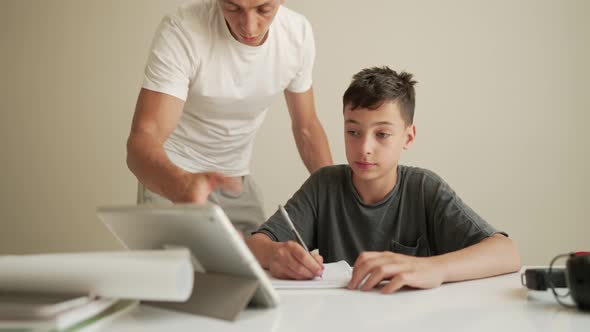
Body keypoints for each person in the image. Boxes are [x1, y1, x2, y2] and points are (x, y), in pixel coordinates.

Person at [247, 66, 521, 293]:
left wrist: (435, 268)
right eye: (353, 132)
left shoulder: (424, 188)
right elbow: (256, 243)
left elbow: (506, 253)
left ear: (408, 137)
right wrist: (275, 255)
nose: (364, 147)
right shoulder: (324, 185)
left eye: (382, 134)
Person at [126, 0, 333, 235]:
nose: (250, 27)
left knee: (259, 266)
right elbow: (142, 140)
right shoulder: (183, 29)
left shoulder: (297, 34)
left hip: (235, 180)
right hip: (173, 175)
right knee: (171, 270)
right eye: (233, 8)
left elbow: (306, 127)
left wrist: (336, 197)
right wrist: (179, 185)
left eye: (263, 9)